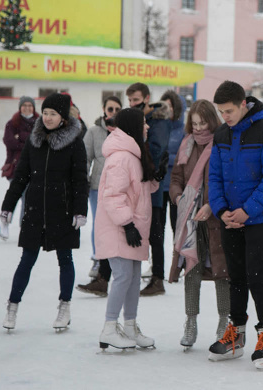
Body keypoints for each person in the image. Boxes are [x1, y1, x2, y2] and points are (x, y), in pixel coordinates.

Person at [206, 81, 263, 371]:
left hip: (259, 217)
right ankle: (235, 333)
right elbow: (213, 176)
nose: (225, 116)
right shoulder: (221, 134)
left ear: (243, 104)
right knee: (235, 275)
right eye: (220, 111)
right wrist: (222, 210)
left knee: (256, 274)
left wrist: (247, 211)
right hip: (230, 218)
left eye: (228, 111)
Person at [0, 93, 88, 332]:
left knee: (65, 260)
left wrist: (80, 211)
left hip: (63, 210)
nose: (48, 118)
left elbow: (81, 180)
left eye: (53, 114)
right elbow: (20, 177)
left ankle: (64, 306)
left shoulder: (75, 142)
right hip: (35, 210)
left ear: (63, 117)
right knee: (27, 260)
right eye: (46, 113)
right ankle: (12, 306)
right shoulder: (34, 141)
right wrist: (8, 206)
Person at [94, 108, 164, 350]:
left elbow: (139, 190)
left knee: (133, 279)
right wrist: (127, 224)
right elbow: (113, 196)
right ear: (134, 126)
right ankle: (109, 328)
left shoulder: (133, 154)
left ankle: (131, 327)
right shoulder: (121, 157)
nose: (147, 127)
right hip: (119, 227)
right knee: (123, 276)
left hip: (131, 227)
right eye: (143, 123)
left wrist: (156, 177)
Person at [168, 100, 230, 349]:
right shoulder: (186, 144)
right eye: (194, 123)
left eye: (202, 122)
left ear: (211, 121)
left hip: (215, 219)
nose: (198, 128)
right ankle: (191, 321)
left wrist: (211, 205)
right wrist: (178, 196)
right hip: (190, 220)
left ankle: (224, 322)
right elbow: (175, 178)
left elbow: (225, 182)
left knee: (221, 272)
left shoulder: (221, 143)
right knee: (191, 270)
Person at [125, 82, 171, 296]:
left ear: (146, 97)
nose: (133, 104)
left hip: (153, 187)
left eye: (136, 99)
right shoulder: (139, 120)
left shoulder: (158, 122)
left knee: (155, 235)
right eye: (130, 100)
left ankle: (158, 278)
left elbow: (155, 150)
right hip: (139, 186)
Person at [79, 96, 122, 281]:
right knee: (100, 225)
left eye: (117, 109)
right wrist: (85, 181)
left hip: (119, 187)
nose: (113, 113)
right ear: (103, 109)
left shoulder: (124, 132)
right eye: (110, 109)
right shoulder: (94, 132)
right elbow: (86, 158)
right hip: (98, 187)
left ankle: (115, 262)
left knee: (117, 225)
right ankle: (98, 259)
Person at [0, 95, 39, 233]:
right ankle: (5, 222)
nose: (27, 108)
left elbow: (38, 143)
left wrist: (21, 138)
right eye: (24, 105)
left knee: (28, 198)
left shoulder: (39, 122)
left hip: (33, 166)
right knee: (14, 194)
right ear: (20, 107)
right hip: (15, 166)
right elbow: (10, 142)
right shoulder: (12, 123)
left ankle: (25, 226)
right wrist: (27, 142)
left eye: (30, 106)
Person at [160, 90, 185, 237]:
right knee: (158, 231)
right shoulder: (157, 127)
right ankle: (158, 261)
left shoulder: (184, 130)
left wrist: (165, 158)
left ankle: (179, 260)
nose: (168, 109)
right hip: (159, 185)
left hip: (177, 186)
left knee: (178, 229)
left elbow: (184, 159)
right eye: (165, 105)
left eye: (171, 105)